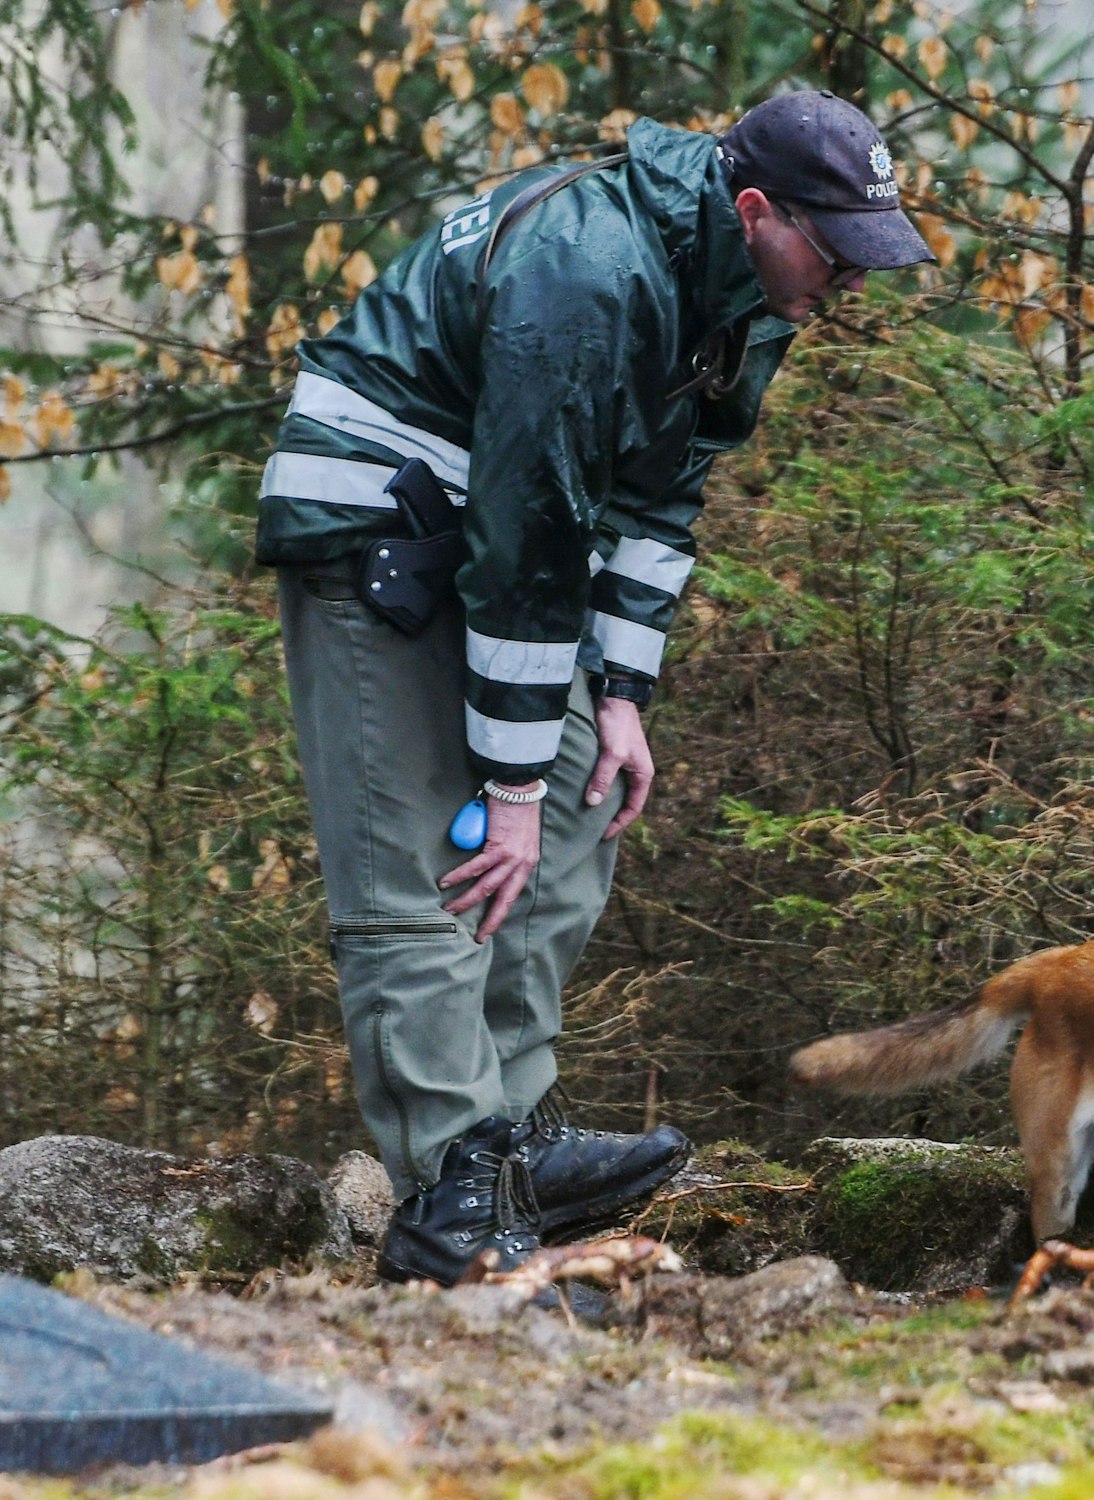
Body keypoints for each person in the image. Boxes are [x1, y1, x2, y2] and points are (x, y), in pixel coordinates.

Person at [255, 91, 936, 1285]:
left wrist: (619, 694)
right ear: (755, 207)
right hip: (376, 526)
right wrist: (501, 782)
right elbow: (531, 533)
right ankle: (449, 1191)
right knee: (428, 857)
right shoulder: (591, 268)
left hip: (499, 533)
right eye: (832, 253)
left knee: (575, 805)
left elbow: (658, 495)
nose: (847, 285)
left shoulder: (744, 296)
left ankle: (512, 1137)